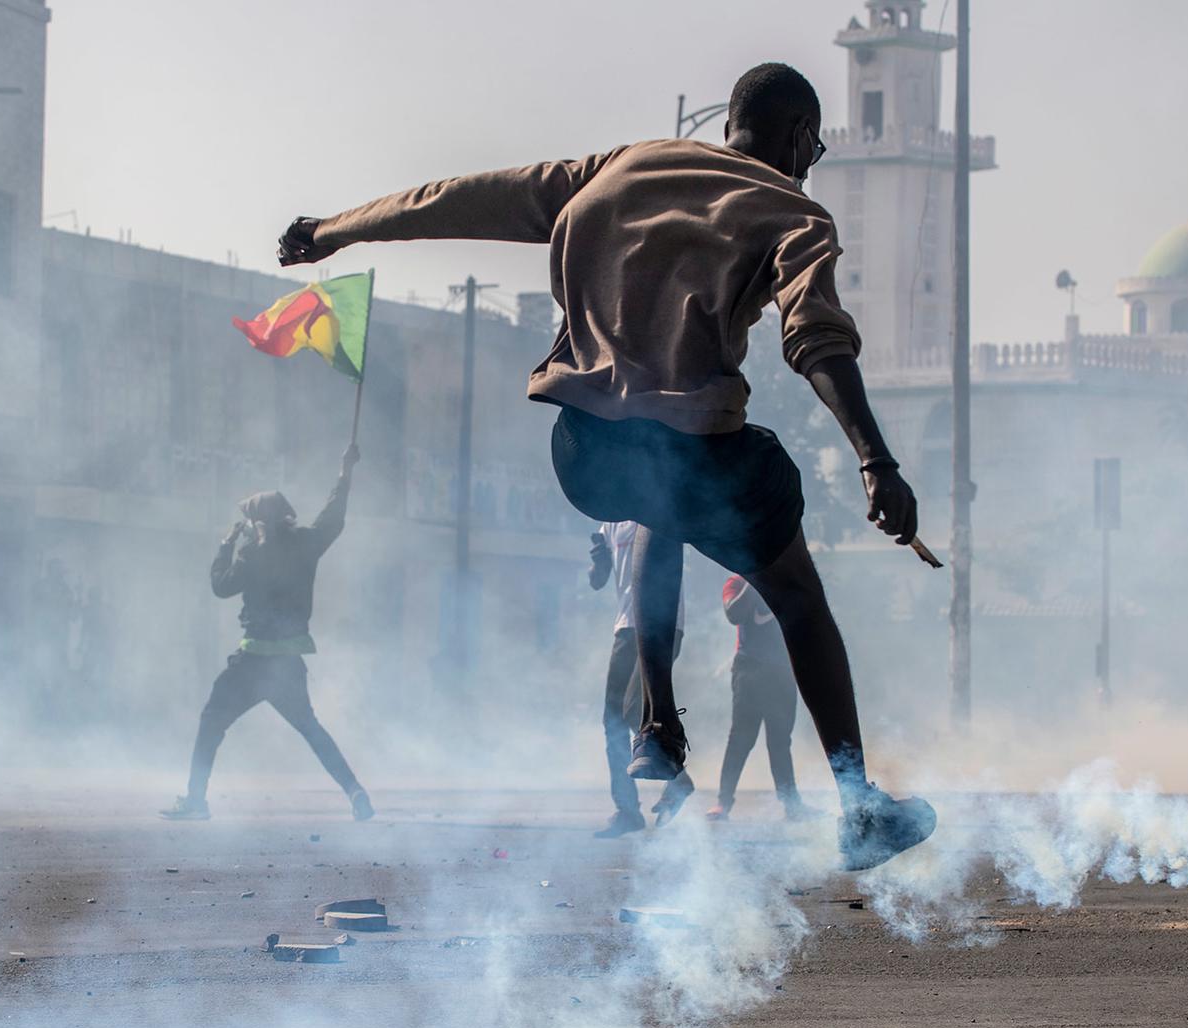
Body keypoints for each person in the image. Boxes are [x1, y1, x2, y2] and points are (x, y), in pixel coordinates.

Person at [273, 63, 933, 869]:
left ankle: (656, 718)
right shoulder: (793, 210)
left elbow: (453, 200)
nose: (812, 160)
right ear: (798, 138)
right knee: (793, 590)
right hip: (693, 448)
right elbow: (817, 338)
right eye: (815, 146)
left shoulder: (614, 168)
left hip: (583, 453)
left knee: (662, 500)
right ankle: (860, 807)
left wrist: (334, 230)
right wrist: (876, 458)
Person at [160, 446, 374, 822]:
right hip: (288, 663)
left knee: (212, 719)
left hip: (254, 661)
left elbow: (220, 586)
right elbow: (333, 519)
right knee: (311, 730)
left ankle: (196, 800)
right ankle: (356, 791)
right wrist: (344, 474)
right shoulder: (306, 544)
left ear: (260, 522)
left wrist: (226, 545)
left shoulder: (252, 554)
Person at [587, 521, 688, 838]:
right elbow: (596, 582)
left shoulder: (658, 511)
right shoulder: (609, 525)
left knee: (634, 710)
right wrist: (599, 560)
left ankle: (678, 781)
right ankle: (627, 810)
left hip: (662, 625)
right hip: (625, 627)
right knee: (613, 719)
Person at [697, 575, 817, 822]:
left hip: (782, 671)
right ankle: (723, 802)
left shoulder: (787, 580)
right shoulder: (736, 583)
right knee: (740, 740)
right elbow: (734, 615)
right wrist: (755, 579)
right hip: (749, 670)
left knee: (780, 742)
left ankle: (792, 805)